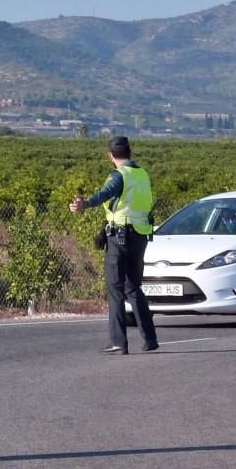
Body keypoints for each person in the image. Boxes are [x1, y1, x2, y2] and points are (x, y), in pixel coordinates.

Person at [69, 136, 159, 355]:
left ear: (110, 155)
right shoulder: (142, 173)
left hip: (120, 237)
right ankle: (150, 339)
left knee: (116, 289)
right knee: (133, 287)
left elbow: (105, 194)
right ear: (129, 151)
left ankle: (118, 342)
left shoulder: (120, 175)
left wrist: (85, 204)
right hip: (140, 236)